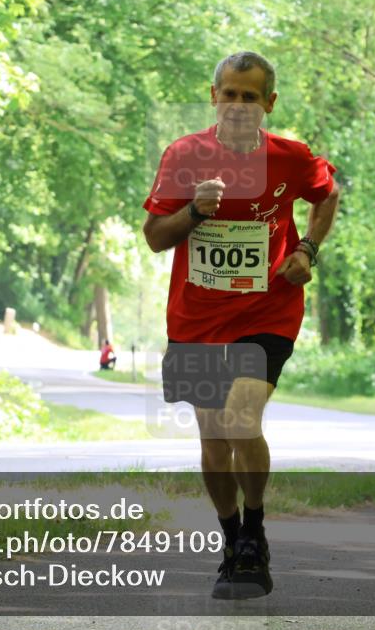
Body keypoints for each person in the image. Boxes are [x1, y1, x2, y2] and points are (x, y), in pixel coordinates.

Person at [142, 51, 340, 599]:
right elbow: (156, 236)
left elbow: (328, 195)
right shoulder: (184, 155)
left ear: (268, 104)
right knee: (212, 435)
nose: (237, 106)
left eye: (249, 96)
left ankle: (254, 533)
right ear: (214, 96)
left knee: (241, 415)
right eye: (229, 93)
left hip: (267, 309)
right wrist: (196, 212)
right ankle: (231, 539)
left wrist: (306, 249)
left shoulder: (291, 157)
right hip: (198, 317)